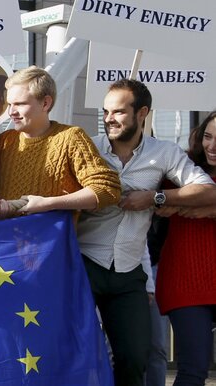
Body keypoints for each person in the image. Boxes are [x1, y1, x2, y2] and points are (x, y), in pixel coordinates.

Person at [76, 80, 215, 386]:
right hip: (83, 263)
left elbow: (207, 189)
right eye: (105, 111)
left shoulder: (164, 152)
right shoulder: (86, 146)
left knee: (136, 358)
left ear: (142, 113)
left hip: (129, 273)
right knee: (79, 352)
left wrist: (155, 198)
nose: (109, 118)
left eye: (118, 112)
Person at [0, 66, 121, 219]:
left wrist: (49, 203)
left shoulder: (71, 138)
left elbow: (107, 189)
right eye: (10, 104)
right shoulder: (4, 141)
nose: (11, 112)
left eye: (20, 104)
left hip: (51, 241)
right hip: (5, 240)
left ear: (45, 103)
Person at [155, 110, 216, 386]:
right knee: (193, 369)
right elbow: (159, 197)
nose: (211, 146)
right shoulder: (181, 170)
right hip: (186, 280)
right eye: (208, 136)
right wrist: (191, 202)